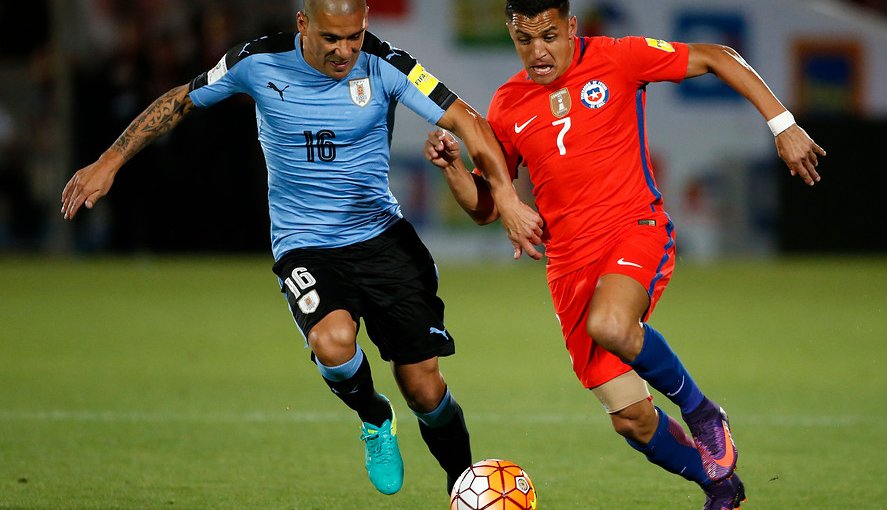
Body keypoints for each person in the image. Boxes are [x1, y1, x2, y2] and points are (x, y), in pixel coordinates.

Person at [60, 0, 543, 497]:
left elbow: (467, 121)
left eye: (354, 36)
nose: (344, 50)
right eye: (332, 38)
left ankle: (462, 489)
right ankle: (374, 417)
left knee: (424, 388)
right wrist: (110, 160)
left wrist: (504, 198)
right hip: (305, 245)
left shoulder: (386, 64)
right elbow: (181, 100)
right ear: (303, 25)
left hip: (382, 240)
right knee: (332, 343)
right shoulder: (257, 62)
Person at [425, 1, 825, 508]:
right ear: (511, 36)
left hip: (634, 229)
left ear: (571, 26)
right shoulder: (507, 104)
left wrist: (782, 124)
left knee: (611, 325)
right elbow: (487, 208)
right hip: (568, 266)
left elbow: (718, 56)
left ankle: (703, 413)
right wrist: (454, 169)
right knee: (630, 419)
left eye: (549, 35)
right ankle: (719, 485)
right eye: (524, 40)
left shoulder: (618, 59)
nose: (538, 51)